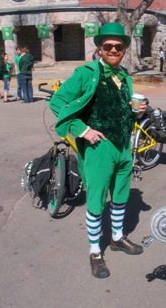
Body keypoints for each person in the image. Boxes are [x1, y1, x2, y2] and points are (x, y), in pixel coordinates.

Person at [49, 22, 146, 279]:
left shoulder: (125, 75)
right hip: (98, 148)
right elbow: (57, 101)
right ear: (100, 48)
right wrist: (82, 130)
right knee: (96, 202)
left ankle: (116, 238)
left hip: (124, 146)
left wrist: (136, 111)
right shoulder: (86, 73)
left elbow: (123, 107)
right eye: (108, 46)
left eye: (119, 46)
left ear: (124, 49)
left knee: (121, 197)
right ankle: (95, 252)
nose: (114, 50)